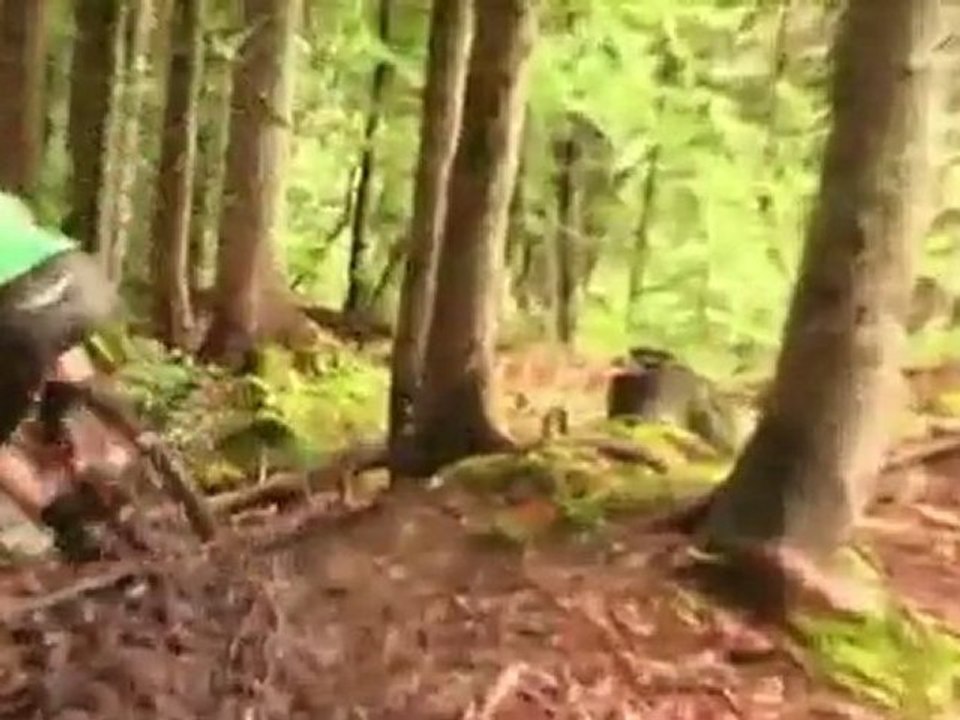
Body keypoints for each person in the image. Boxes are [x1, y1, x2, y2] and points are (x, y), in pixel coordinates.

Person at [0, 193, 116, 561]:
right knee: (57, 343)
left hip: (22, 313)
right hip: (85, 282)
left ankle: (69, 525)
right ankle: (81, 442)